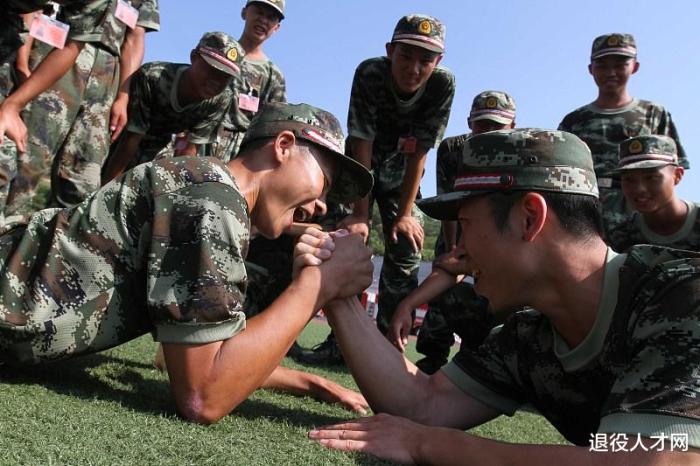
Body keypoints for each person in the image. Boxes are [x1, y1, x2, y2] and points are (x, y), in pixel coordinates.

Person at [302, 129, 700, 464]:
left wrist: (431, 445)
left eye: (466, 225)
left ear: (530, 218)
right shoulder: (530, 335)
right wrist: (336, 292)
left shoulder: (682, 295)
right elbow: (420, 405)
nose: (458, 252)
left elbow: (658, 459)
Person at [0, 102, 374, 423]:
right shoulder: (213, 202)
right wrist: (317, 286)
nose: (322, 206)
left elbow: (180, 357)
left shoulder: (209, 190)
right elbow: (203, 396)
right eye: (324, 183)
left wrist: (310, 383)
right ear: (284, 145)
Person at [389, 90, 516, 374]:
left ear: (513, 126)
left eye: (497, 126)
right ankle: (434, 356)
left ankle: (494, 359)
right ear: (470, 123)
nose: (488, 134)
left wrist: (466, 261)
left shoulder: (525, 156)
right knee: (447, 281)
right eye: (482, 125)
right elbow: (449, 204)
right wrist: (453, 251)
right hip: (467, 233)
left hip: (509, 256)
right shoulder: (454, 150)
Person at [2, 0, 160, 216]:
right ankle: (7, 222)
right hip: (54, 49)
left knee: (84, 174)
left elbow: (134, 39)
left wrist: (123, 96)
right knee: (29, 155)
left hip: (106, 73)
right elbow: (34, 9)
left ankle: (59, 233)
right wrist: (22, 63)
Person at [558, 33, 688, 237]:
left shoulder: (653, 114)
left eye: (620, 65)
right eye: (603, 66)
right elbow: (561, 174)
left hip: (641, 209)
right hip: (588, 210)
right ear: (591, 69)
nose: (611, 73)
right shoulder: (574, 121)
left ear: (635, 66)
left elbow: (672, 172)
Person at [101, 31, 242, 183]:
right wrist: (109, 186)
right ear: (194, 57)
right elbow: (131, 140)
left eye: (225, 77)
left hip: (161, 145)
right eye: (212, 70)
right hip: (123, 138)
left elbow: (190, 151)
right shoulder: (153, 77)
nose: (216, 81)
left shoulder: (221, 99)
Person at [208, 0, 287, 162]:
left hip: (239, 154)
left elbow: (272, 126)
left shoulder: (273, 75)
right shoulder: (220, 49)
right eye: (259, 12)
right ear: (244, 13)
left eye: (271, 17)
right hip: (200, 138)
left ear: (277, 27)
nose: (263, 20)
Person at [606, 135, 700, 252]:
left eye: (651, 177)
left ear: (677, 175)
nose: (639, 189)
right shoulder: (620, 238)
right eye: (629, 179)